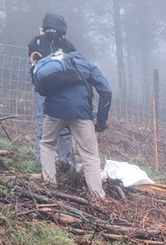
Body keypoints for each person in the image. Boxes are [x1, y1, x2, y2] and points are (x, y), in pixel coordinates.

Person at [39, 51, 112, 201]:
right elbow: (106, 91)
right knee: (90, 156)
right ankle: (97, 197)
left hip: (54, 110)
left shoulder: (56, 65)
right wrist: (101, 120)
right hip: (81, 112)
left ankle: (49, 186)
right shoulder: (88, 67)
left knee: (47, 144)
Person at [28, 13, 77, 169]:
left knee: (64, 124)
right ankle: (41, 160)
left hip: (62, 90)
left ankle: (65, 161)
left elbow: (74, 64)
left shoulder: (68, 46)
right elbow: (33, 62)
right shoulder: (36, 42)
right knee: (42, 123)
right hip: (43, 89)